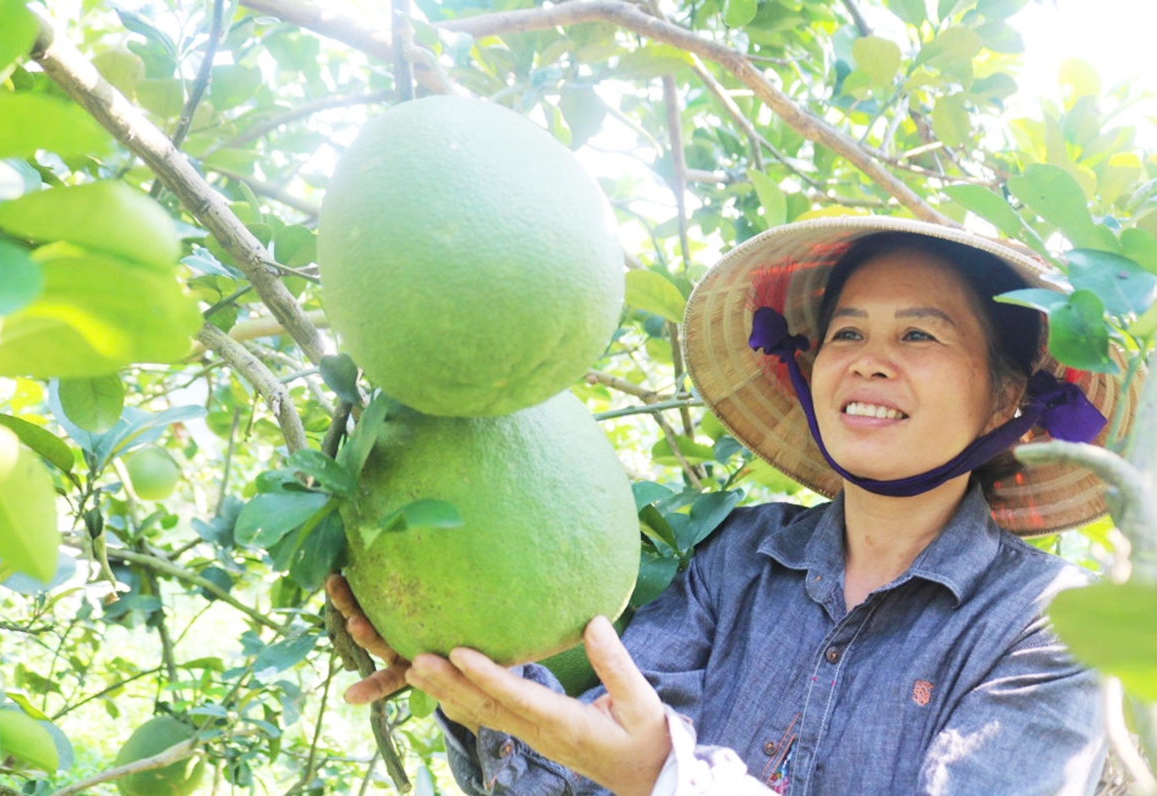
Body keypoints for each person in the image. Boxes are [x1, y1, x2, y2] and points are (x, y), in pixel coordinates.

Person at [326, 216, 1139, 795]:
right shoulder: (744, 558)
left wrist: (666, 777)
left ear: (1008, 400)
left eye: (919, 337)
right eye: (846, 335)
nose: (869, 364)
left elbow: (642, 768)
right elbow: (594, 766)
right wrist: (488, 693)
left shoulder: (1049, 623)